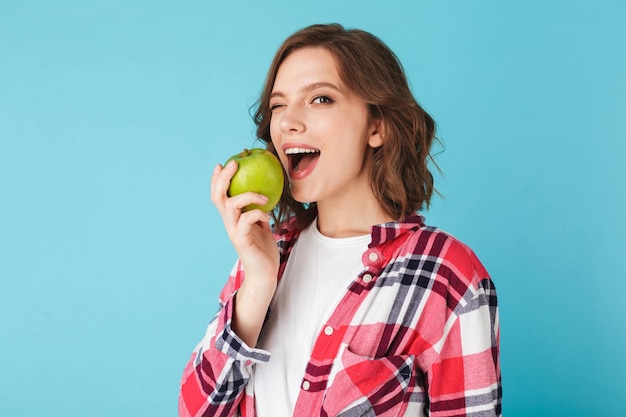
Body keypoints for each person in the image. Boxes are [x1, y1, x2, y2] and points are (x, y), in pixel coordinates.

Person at [178, 23, 501, 417]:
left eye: (320, 99)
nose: (287, 122)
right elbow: (196, 411)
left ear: (376, 126)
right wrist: (259, 282)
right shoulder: (265, 254)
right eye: (278, 105)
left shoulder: (447, 275)